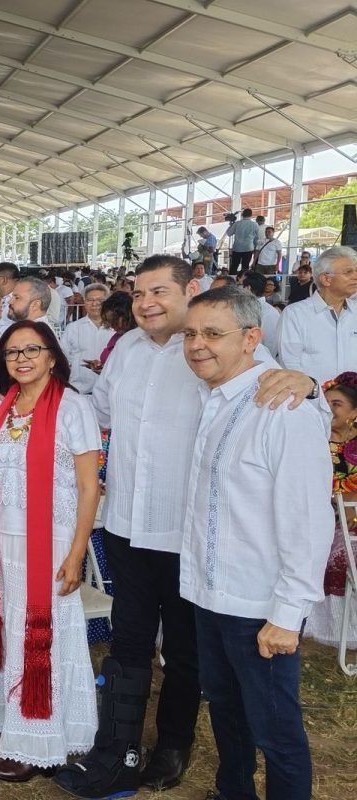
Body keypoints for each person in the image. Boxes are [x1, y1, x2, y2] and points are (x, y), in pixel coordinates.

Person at [56, 256, 315, 799]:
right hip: (127, 524)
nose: (147, 302)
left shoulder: (218, 351)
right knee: (128, 642)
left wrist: (308, 382)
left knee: (186, 652)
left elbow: (275, 388)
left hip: (190, 539)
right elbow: (97, 413)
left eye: (160, 291)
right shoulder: (125, 349)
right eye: (139, 291)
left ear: (190, 289)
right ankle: (119, 749)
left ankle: (173, 746)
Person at [179, 286, 331, 800]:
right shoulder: (213, 399)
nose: (198, 344)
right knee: (225, 713)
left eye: (213, 334)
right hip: (209, 595)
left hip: (259, 604)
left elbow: (308, 520)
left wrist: (288, 613)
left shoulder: (282, 407)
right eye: (191, 333)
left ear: (252, 338)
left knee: (276, 732)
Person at [0, 320, 101, 781]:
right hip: (2, 542)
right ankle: (16, 726)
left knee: (44, 637)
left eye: (33, 349)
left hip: (50, 544)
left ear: (53, 355)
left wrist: (76, 552)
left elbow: (90, 487)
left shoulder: (73, 407)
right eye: (12, 352)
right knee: (12, 634)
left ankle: (38, 742)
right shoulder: (0, 406)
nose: (22, 358)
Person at [305, 372, 357, 647]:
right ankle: (325, 629)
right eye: (326, 404)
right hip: (323, 518)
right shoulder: (313, 441)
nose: (329, 410)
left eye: (336, 404)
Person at [276, 246, 357, 383]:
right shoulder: (295, 314)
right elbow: (290, 366)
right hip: (311, 401)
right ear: (326, 279)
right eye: (348, 272)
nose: (355, 276)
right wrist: (317, 395)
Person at [61, 284, 113, 393]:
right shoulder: (73, 328)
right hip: (79, 390)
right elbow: (63, 356)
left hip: (109, 391)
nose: (94, 304)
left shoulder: (116, 329)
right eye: (89, 300)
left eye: (100, 300)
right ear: (84, 302)